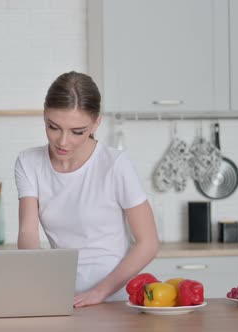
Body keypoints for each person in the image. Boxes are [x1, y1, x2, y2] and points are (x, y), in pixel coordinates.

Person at [14, 71, 159, 308]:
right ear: (44, 116)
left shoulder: (115, 164)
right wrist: (40, 281)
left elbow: (148, 243)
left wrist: (99, 293)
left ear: (96, 124)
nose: (62, 141)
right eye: (53, 127)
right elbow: (28, 233)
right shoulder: (28, 162)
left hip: (113, 300)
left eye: (77, 132)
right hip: (60, 296)